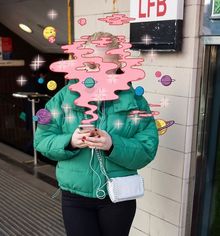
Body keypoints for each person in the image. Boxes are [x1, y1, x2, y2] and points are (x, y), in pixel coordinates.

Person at [34, 32, 159, 236]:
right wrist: (69, 142)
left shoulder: (136, 103)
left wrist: (113, 144)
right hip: (75, 198)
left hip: (119, 197)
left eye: (107, 67)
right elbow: (41, 139)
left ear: (119, 64)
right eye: (93, 66)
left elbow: (147, 149)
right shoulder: (63, 98)